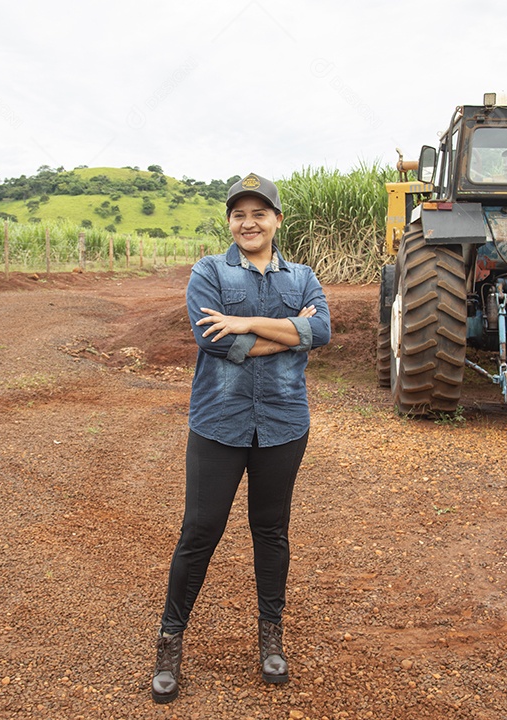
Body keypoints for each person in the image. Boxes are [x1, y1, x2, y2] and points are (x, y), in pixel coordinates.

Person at [150, 173, 331, 704]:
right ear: (229, 221)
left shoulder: (302, 277)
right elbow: (215, 341)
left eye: (259, 213)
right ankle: (169, 640)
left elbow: (320, 332)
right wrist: (288, 334)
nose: (248, 223)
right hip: (219, 423)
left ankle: (270, 637)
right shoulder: (207, 272)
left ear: (277, 220)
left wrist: (246, 321)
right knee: (199, 531)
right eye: (238, 214)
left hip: (283, 425)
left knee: (270, 531)